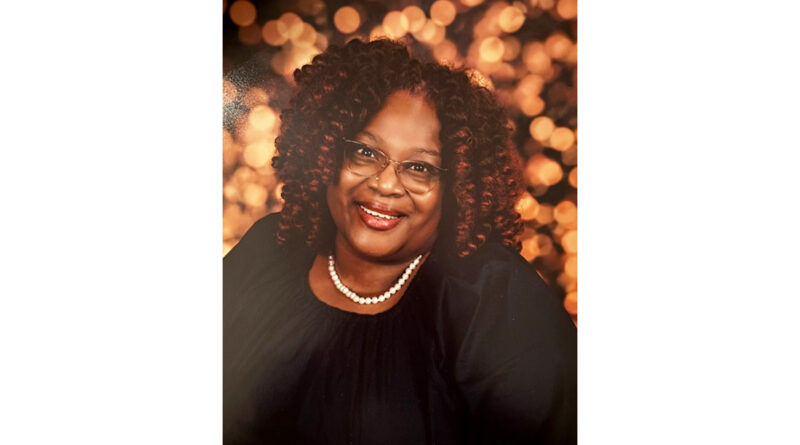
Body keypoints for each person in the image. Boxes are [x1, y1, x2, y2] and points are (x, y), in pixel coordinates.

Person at [224, 39, 576, 444]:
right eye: (365, 153)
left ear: (456, 187)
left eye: (419, 168)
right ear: (326, 153)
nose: (386, 184)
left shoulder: (492, 297)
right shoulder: (269, 250)